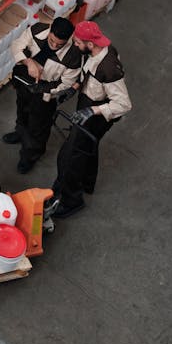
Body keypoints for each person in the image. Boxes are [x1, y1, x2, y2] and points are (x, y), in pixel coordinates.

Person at [47, 21, 131, 219]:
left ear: (90, 44)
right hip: (87, 104)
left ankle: (71, 200)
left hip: (97, 115)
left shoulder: (109, 68)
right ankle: (87, 183)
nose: (75, 45)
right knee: (88, 148)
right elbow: (89, 75)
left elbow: (124, 104)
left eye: (77, 42)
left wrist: (92, 111)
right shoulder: (96, 51)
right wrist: (73, 89)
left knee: (68, 158)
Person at [3, 17, 82, 174]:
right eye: (51, 41)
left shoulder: (73, 55)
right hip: (25, 82)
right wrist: (29, 62)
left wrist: (40, 88)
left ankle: (31, 155)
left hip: (46, 94)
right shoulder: (38, 30)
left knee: (38, 126)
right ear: (50, 29)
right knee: (22, 111)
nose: (54, 46)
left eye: (59, 44)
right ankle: (20, 132)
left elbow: (65, 83)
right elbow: (17, 45)